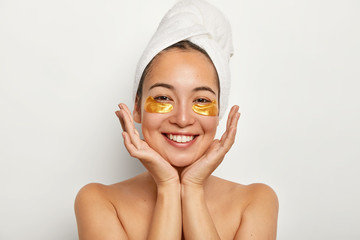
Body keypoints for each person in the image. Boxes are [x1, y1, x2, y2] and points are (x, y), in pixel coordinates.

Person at [74, 0, 278, 239]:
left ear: (219, 111)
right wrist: (168, 186)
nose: (182, 119)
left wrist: (192, 188)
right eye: (163, 97)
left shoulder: (255, 203)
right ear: (137, 107)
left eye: (201, 100)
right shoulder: (100, 202)